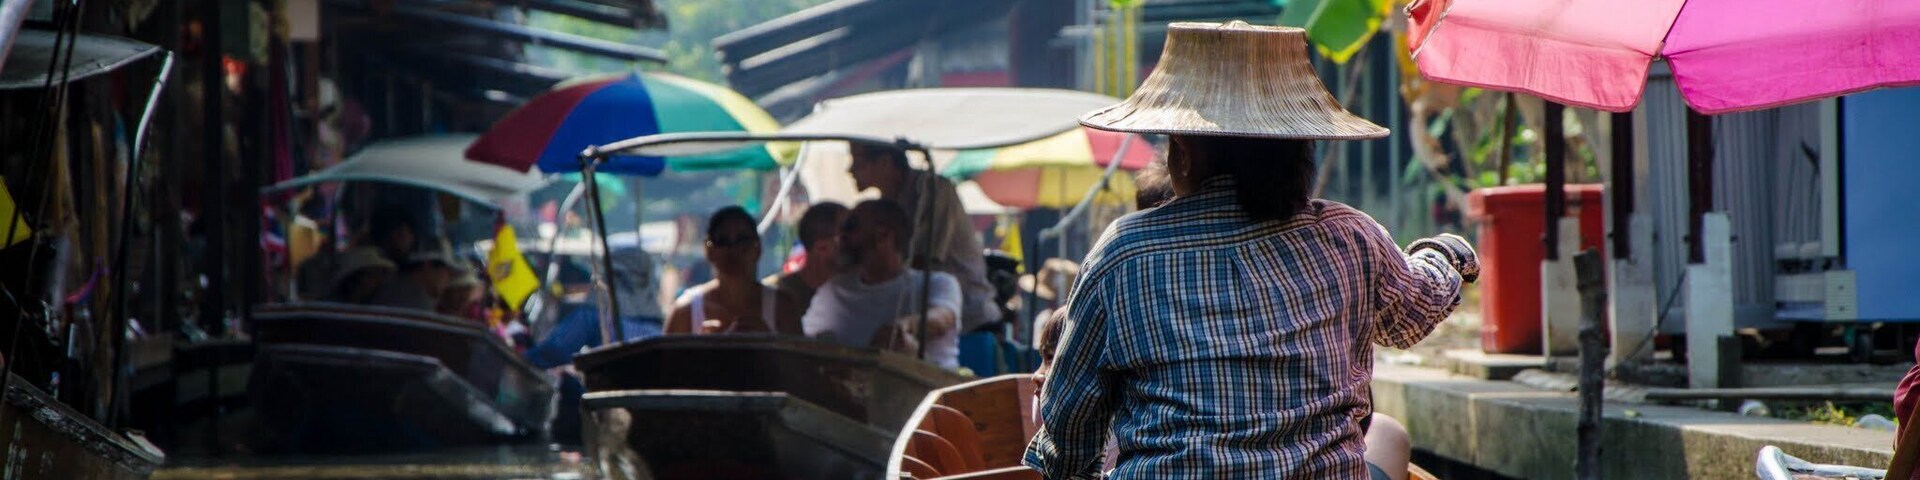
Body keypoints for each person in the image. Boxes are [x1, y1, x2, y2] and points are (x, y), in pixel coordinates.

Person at [1024, 22, 1479, 480]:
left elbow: (1067, 435)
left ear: (1181, 152)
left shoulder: (1123, 252)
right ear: (1301, 148)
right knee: (1386, 440)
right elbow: (1415, 313)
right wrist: (1447, 253)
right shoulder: (1349, 236)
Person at [846, 142, 1000, 333]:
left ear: (885, 162)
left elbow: (922, 261)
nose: (850, 170)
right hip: (917, 318)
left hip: (967, 320)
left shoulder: (933, 191)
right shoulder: (886, 203)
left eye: (857, 161)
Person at [803, 199, 963, 368]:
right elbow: (806, 343)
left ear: (883, 235)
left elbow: (942, 319)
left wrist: (905, 326)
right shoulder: (832, 291)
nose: (841, 236)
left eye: (851, 226)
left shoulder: (938, 283)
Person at [666, 207, 803, 336]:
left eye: (743, 240)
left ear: (757, 249)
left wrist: (767, 341)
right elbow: (665, 361)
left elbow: (798, 360)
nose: (733, 250)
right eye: (723, 241)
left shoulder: (782, 308)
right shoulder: (685, 312)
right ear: (708, 251)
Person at [772, 202, 849, 315]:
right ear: (821, 247)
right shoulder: (782, 299)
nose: (856, 240)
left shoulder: (856, 290)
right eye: (845, 237)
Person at [370, 249, 461, 312]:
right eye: (448, 272)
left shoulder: (391, 288)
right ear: (427, 266)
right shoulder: (414, 299)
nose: (449, 279)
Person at [327, 246, 396, 305]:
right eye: (371, 275)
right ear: (355, 278)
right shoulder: (328, 307)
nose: (377, 281)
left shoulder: (382, 306)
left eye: (380, 275)